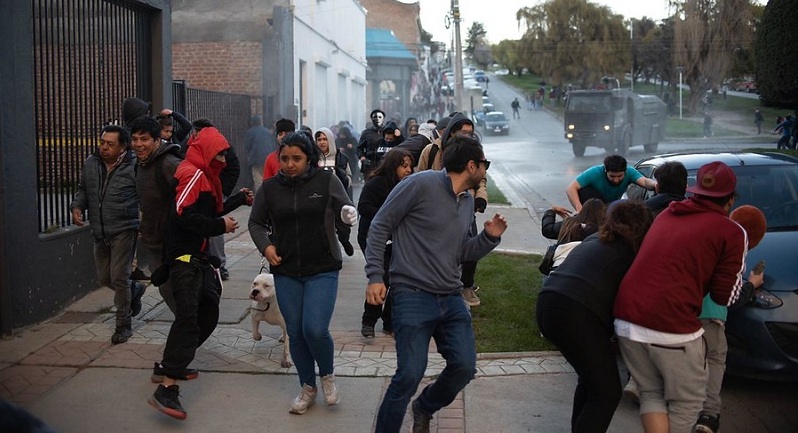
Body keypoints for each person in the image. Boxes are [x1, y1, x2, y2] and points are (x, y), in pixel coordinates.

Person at [365, 135, 507, 433]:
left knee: (465, 367)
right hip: (412, 295)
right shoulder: (420, 184)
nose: (485, 171)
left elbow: (461, 251)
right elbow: (379, 226)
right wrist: (375, 276)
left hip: (450, 297)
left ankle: (425, 406)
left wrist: (489, 238)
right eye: (485, 165)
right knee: (409, 375)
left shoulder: (467, 201)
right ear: (471, 166)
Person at [613, 161, 746, 433]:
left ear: (694, 192)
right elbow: (724, 297)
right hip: (670, 326)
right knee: (688, 402)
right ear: (731, 200)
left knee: (651, 393)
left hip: (626, 318)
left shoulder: (666, 215)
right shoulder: (731, 231)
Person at [249, 132, 357, 415]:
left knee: (314, 329)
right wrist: (266, 247)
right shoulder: (269, 188)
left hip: (322, 266)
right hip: (286, 269)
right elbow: (256, 223)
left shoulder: (326, 181)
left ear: (309, 158)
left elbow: (345, 208)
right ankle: (307, 387)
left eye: (296, 158)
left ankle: (328, 377)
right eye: (284, 158)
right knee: (295, 332)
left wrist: (347, 215)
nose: (290, 164)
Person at [148, 126, 252, 420]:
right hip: (184, 260)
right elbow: (185, 214)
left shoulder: (205, 177)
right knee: (189, 320)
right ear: (206, 151)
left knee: (207, 311)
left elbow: (207, 211)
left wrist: (237, 201)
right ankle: (167, 387)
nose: (222, 158)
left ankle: (171, 365)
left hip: (196, 259)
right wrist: (221, 227)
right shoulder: (193, 173)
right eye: (219, 153)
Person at [538, 201, 653, 433]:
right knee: (607, 393)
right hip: (577, 312)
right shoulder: (631, 254)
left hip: (548, 303)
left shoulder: (596, 240)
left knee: (591, 381)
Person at [693, 205, 767, 433]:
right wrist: (752, 285)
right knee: (715, 361)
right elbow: (729, 298)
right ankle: (708, 416)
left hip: (684, 311)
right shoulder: (736, 254)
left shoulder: (706, 238)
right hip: (711, 318)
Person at [70, 124, 141, 344]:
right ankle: (134, 289)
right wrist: (77, 206)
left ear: (123, 147)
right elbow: (83, 189)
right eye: (102, 142)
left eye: (110, 144)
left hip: (124, 229)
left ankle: (123, 325)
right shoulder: (92, 163)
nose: (104, 148)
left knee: (119, 278)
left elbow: (145, 194)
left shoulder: (134, 166)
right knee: (104, 277)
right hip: (99, 230)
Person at [417, 113, 487, 307]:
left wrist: (480, 198)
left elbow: (481, 178)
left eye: (471, 133)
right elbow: (419, 176)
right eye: (463, 133)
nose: (467, 136)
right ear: (451, 132)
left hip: (464, 204)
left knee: (470, 245)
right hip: (434, 208)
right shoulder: (431, 151)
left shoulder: (474, 152)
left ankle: (466, 285)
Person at [357, 148, 414, 337]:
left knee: (398, 279)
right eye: (404, 166)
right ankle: (369, 321)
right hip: (373, 238)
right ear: (393, 166)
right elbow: (363, 207)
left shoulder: (407, 186)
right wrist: (386, 218)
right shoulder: (377, 183)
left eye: (410, 167)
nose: (408, 170)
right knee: (382, 278)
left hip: (397, 239)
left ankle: (390, 321)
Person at [129, 116, 183, 315]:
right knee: (165, 288)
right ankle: (187, 328)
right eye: (134, 139)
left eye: (144, 139)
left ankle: (188, 331)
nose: (138, 144)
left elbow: (190, 197)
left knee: (177, 290)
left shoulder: (169, 164)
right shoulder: (140, 165)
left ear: (157, 140)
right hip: (153, 242)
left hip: (174, 244)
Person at [565, 155, 656, 212]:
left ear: (625, 171)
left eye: (620, 176)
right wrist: (579, 208)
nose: (616, 180)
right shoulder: (594, 172)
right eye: (612, 176)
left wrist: (656, 184)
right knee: (584, 191)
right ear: (605, 170)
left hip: (612, 206)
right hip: (594, 205)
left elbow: (645, 181)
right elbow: (571, 189)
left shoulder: (630, 172)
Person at [315, 127, 355, 256]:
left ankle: (344, 240)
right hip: (319, 196)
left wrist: (343, 178)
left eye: (325, 139)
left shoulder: (340, 157)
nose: (322, 142)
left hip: (337, 195)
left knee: (342, 223)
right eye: (319, 139)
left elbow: (349, 176)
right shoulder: (313, 158)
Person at [244, 114, 276, 191]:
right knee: (267, 177)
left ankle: (260, 197)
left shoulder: (250, 132)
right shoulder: (267, 132)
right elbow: (272, 145)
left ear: (252, 123)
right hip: (267, 158)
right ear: (261, 122)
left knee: (258, 180)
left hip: (255, 159)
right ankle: (268, 194)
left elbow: (247, 146)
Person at [358, 109, 386, 175]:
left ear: (383, 119)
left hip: (385, 164)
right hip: (370, 164)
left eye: (379, 117)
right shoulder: (366, 133)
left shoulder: (388, 131)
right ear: (371, 119)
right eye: (375, 117)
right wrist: (362, 157)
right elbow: (359, 148)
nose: (377, 119)